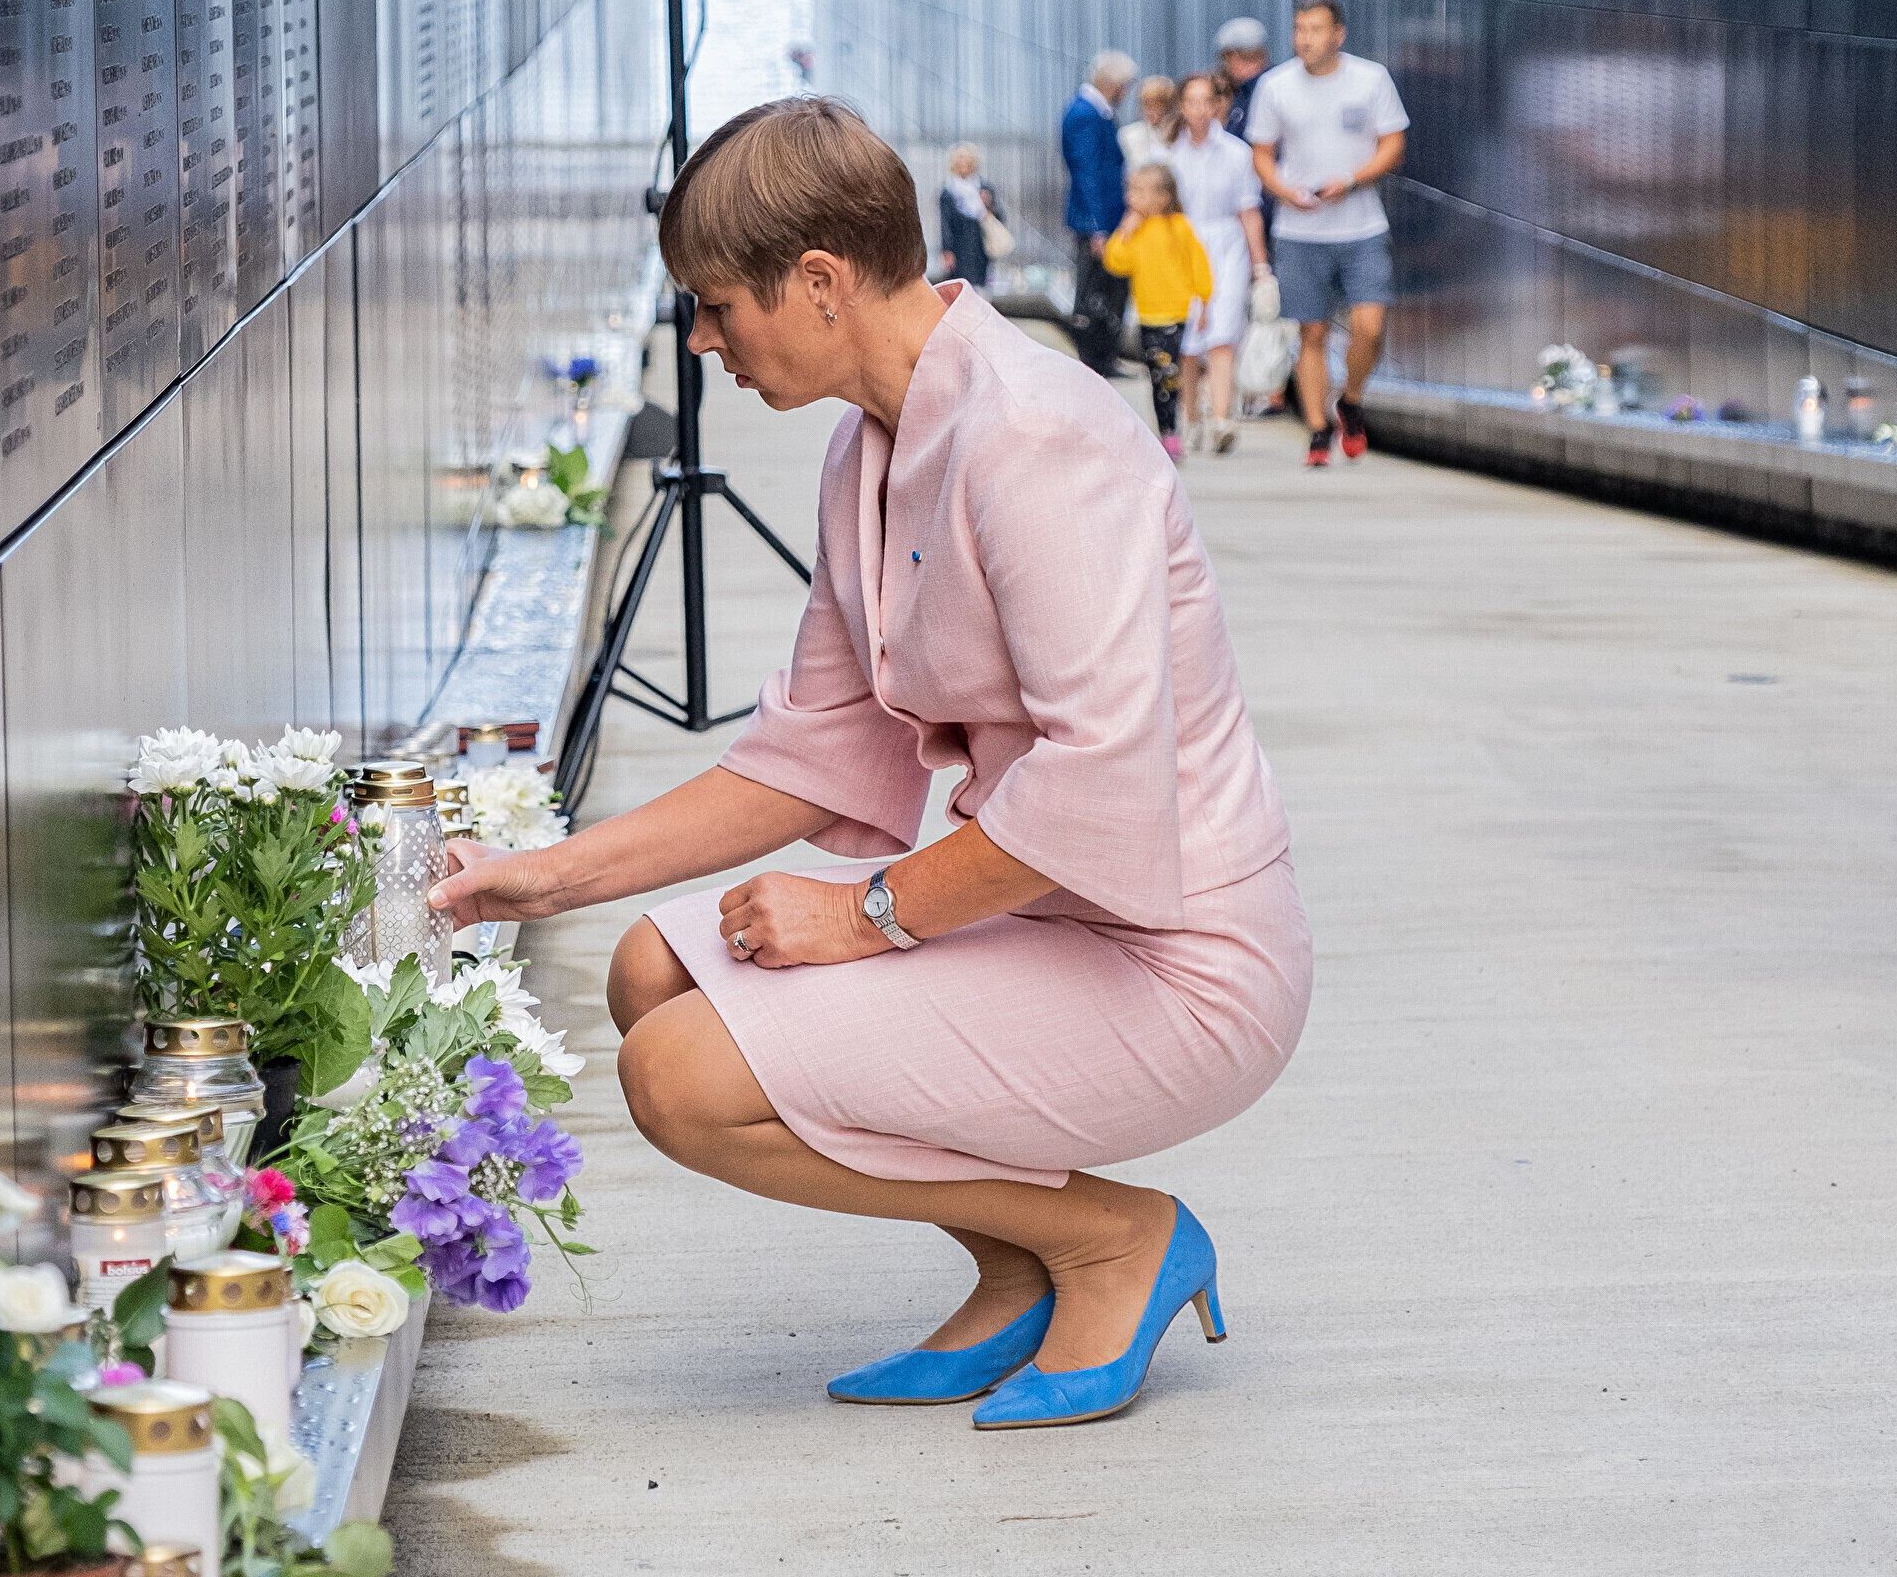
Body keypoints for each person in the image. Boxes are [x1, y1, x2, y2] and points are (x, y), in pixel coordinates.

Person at [433, 96, 1308, 1433]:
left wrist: (861, 915)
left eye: (717, 305)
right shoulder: (870, 444)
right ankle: (1016, 1264)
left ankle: (1113, 1242)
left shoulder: (1036, 437)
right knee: (649, 969)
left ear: (819, 281)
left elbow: (1092, 782)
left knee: (678, 1078)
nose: (702, 341)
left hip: (1176, 959)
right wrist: (540, 877)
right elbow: (811, 752)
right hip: (1046, 919)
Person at [1247, 0, 1409, 467]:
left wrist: (1352, 180)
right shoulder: (1276, 85)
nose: (1305, 39)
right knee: (1311, 332)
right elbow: (1261, 153)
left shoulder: (1370, 79)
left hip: (1362, 226)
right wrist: (1285, 191)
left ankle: (1350, 400)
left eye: (1316, 30)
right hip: (1300, 230)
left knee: (1369, 327)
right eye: (1299, 29)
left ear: (1339, 34)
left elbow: (1393, 143)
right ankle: (1318, 430)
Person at [1164, 71, 1271, 453]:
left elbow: (1249, 211)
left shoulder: (1236, 153)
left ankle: (1222, 417)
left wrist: (1261, 268)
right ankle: (1191, 415)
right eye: (1190, 101)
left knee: (1223, 331)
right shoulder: (1167, 154)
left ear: (1216, 105)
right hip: (1181, 247)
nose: (1198, 110)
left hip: (1227, 246)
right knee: (1188, 338)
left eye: (1205, 101)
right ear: (1182, 106)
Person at [1101, 165, 1213, 461]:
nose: (1132, 197)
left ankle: (1171, 431)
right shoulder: (1136, 229)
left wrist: (1204, 301)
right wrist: (1124, 232)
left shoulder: (1179, 227)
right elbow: (1117, 263)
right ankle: (1166, 430)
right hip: (1148, 315)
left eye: (1140, 191)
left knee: (1169, 372)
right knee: (1157, 373)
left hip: (1176, 314)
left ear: (1163, 197)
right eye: (1131, 190)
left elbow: (1198, 264)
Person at [1058, 51, 1134, 375]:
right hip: (1099, 222)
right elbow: (1087, 172)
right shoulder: (1086, 114)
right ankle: (1094, 360)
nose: (1125, 93)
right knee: (1096, 291)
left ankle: (1103, 358)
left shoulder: (1094, 111)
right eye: (1124, 86)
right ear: (1111, 83)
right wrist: (1098, 227)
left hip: (1105, 218)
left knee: (1109, 289)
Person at [935, 143, 994, 285]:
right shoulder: (948, 191)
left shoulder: (984, 188)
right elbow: (945, 223)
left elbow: (999, 217)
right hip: (958, 248)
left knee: (980, 285)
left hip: (980, 247)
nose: (963, 163)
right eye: (959, 159)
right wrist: (946, 250)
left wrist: (988, 206)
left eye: (967, 159)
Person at [1117, 73, 1179, 172]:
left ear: (1169, 107)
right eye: (1147, 106)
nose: (1151, 112)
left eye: (1157, 107)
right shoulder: (1128, 135)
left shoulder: (1179, 135)